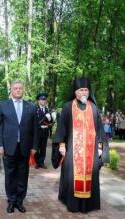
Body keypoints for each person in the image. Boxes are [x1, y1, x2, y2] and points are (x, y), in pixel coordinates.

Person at [52, 77, 109, 213]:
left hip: (91, 152)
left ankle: (88, 205)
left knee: (90, 176)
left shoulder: (94, 108)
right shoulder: (67, 107)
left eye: (86, 90)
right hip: (73, 152)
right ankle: (73, 204)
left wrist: (101, 152)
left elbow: (100, 133)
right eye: (81, 90)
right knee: (71, 177)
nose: (84, 92)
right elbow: (61, 128)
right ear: (76, 92)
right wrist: (61, 145)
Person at [0, 80, 38, 214]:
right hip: (8, 147)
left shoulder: (31, 107)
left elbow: (35, 129)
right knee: (10, 175)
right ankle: (11, 201)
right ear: (11, 91)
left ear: (23, 90)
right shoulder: (3, 105)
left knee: (23, 175)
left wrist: (35, 146)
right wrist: (0, 145)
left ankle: (20, 201)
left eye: (20, 88)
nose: (18, 90)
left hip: (25, 147)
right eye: (15, 88)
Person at [34, 92, 53, 169]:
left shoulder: (47, 110)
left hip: (45, 132)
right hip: (37, 131)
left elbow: (51, 122)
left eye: (45, 100)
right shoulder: (35, 109)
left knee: (43, 147)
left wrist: (50, 118)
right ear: (39, 101)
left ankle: (41, 162)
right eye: (42, 100)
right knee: (36, 147)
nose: (44, 101)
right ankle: (37, 162)